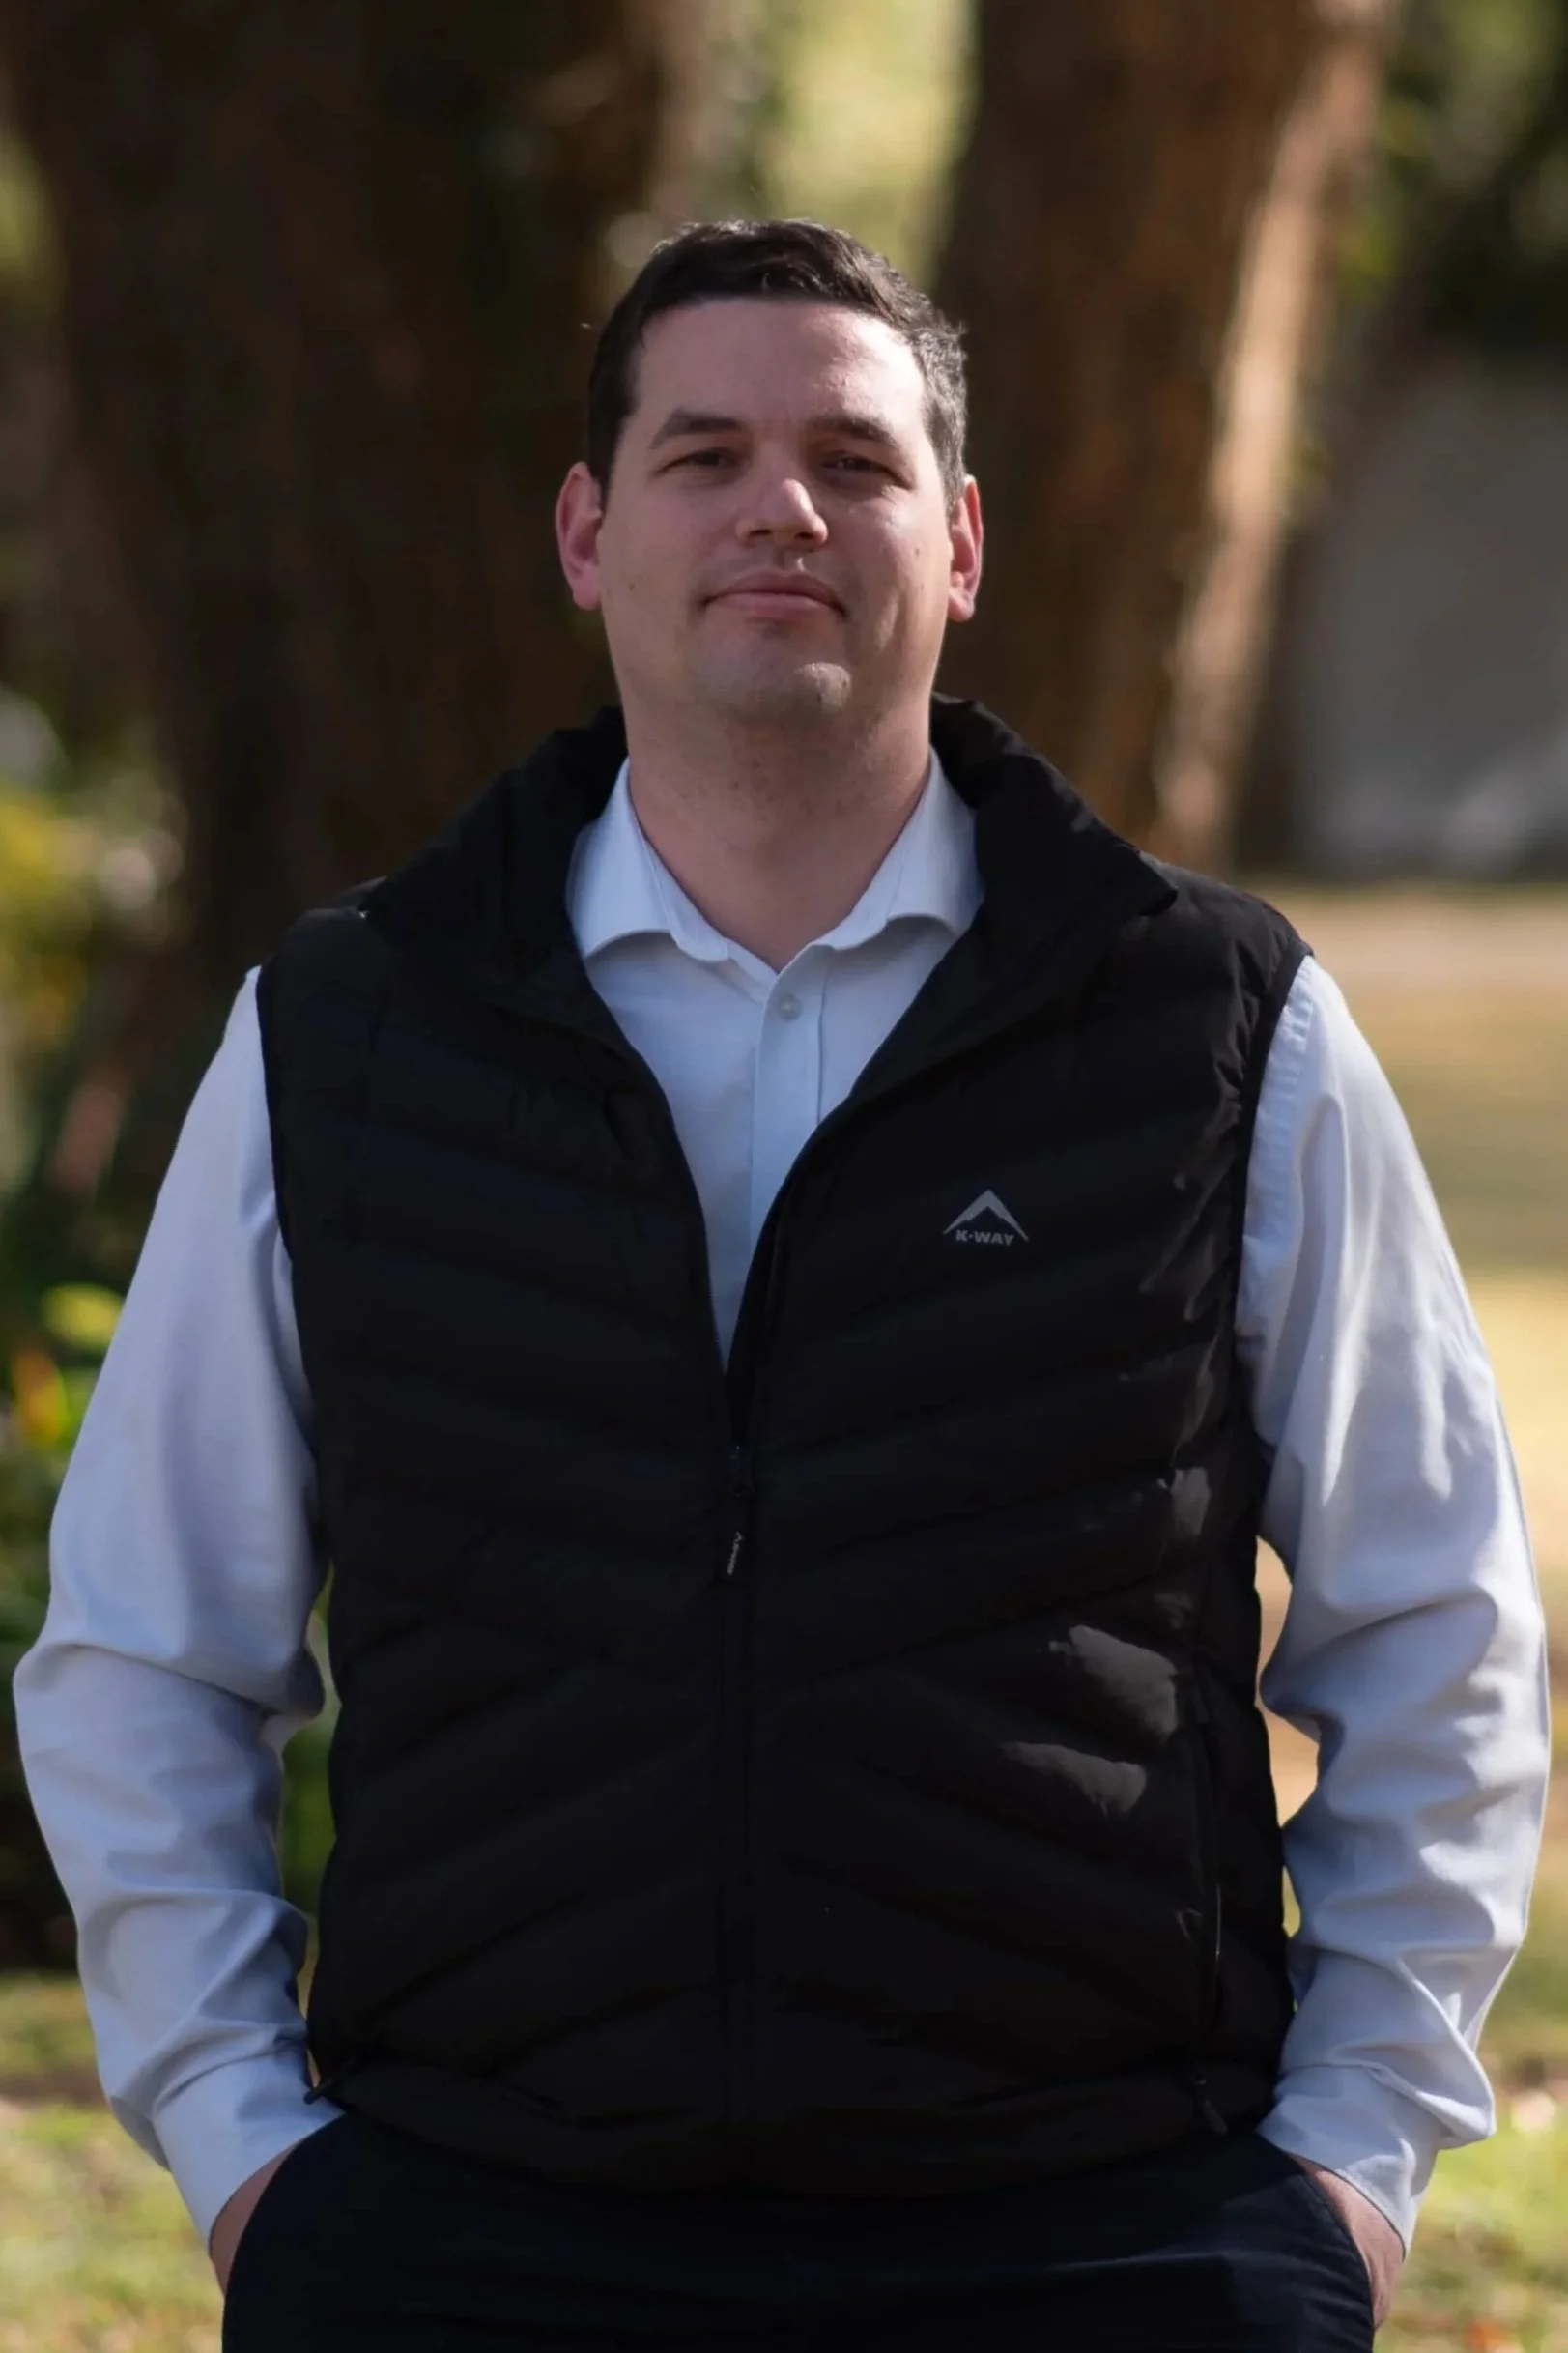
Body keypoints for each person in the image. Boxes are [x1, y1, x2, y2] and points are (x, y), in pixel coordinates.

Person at [15, 219, 1549, 2351]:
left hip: (1107, 2234)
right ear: (584, 528)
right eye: (703, 452)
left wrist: (1343, 2169)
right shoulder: (344, 1034)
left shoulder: (1214, 1024)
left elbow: (1438, 1622)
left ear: (965, 539)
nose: (783, 509)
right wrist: (251, 2158)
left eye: (855, 456)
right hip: (472, 2233)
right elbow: (145, 1652)